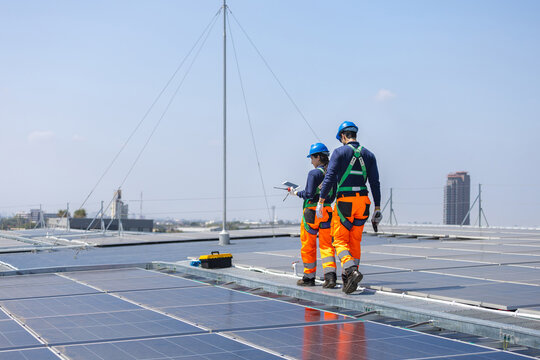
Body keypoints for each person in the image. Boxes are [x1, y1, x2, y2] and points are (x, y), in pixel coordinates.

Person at [316, 121, 382, 294]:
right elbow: (375, 182)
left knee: (338, 240)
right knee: (354, 242)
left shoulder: (340, 152)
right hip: (364, 203)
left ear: (343, 136)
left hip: (345, 202)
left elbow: (329, 178)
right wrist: (377, 207)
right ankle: (349, 280)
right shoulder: (369, 155)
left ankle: (352, 271)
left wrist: (321, 201)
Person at [289, 143, 337, 288]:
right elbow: (333, 195)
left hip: (311, 212)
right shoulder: (332, 174)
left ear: (318, 157)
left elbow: (309, 194)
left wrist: (296, 193)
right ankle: (330, 278)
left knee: (308, 246)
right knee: (327, 246)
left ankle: (309, 278)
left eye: (312, 158)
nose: (311, 161)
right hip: (327, 211)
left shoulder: (314, 173)